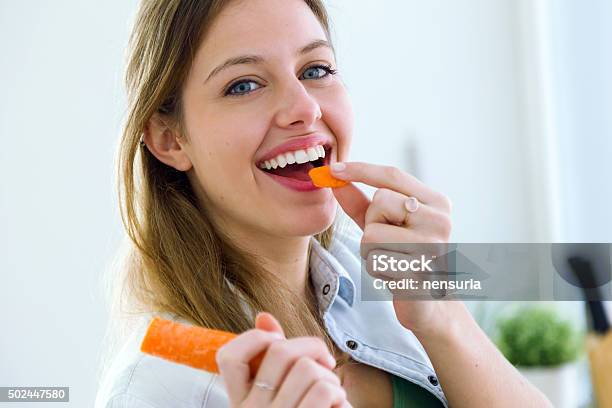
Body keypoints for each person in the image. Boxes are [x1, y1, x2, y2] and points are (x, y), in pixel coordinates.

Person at [95, 0, 553, 407]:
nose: (305, 108)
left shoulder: (374, 275)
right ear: (169, 139)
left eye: (315, 70)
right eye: (244, 85)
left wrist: (442, 316)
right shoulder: (152, 388)